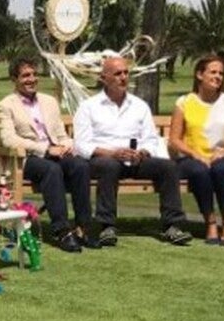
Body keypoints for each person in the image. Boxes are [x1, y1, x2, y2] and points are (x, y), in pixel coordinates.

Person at [72, 55, 192, 246]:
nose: (123, 77)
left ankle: (172, 225)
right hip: (103, 160)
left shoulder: (139, 106)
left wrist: (142, 153)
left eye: (126, 73)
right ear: (104, 78)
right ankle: (106, 226)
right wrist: (112, 153)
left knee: (168, 167)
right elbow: (81, 144)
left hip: (135, 160)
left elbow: (151, 139)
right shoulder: (89, 107)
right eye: (117, 74)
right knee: (109, 166)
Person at [0, 58, 96, 252]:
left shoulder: (49, 102)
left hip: (55, 152)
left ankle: (83, 226)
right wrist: (45, 149)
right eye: (25, 75)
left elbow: (61, 135)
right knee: (52, 169)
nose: (32, 79)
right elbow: (8, 140)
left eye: (34, 74)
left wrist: (67, 145)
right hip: (26, 158)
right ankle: (62, 230)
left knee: (80, 166)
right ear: (14, 79)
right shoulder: (6, 106)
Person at [168, 55, 224, 246]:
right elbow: (174, 140)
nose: (218, 76)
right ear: (200, 75)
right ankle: (210, 223)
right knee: (199, 171)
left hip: (221, 155)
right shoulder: (184, 102)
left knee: (222, 169)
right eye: (213, 72)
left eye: (221, 73)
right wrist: (195, 154)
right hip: (191, 158)